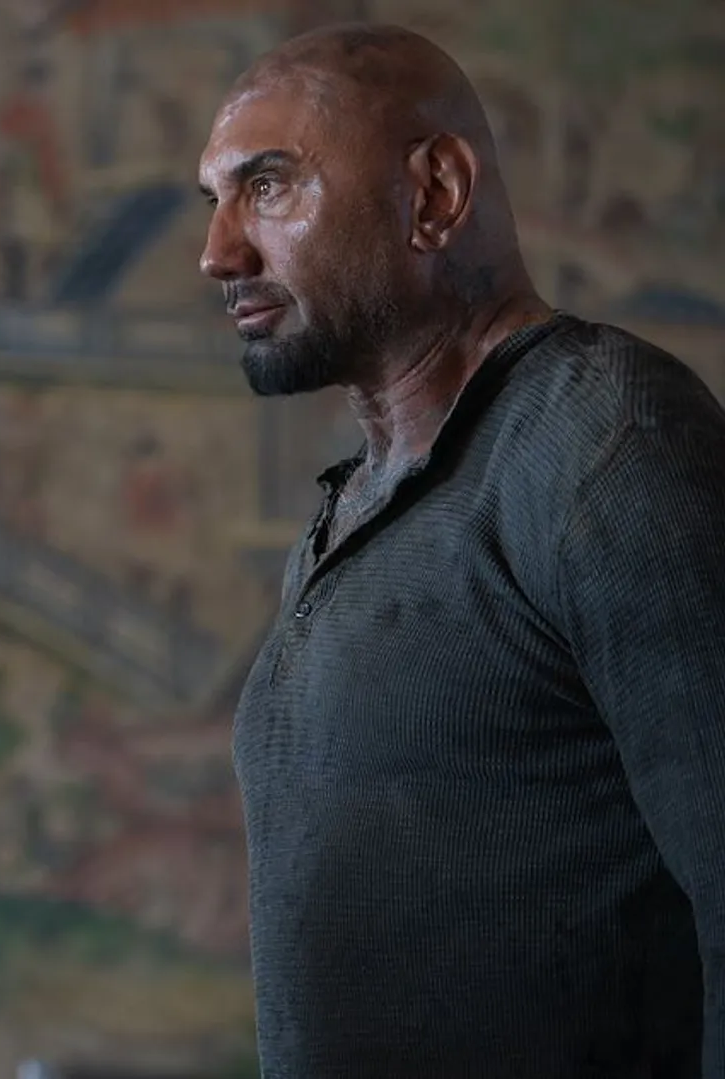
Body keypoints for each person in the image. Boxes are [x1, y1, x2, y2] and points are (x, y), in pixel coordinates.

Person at [199, 22, 725, 1079]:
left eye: (268, 185)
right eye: (212, 198)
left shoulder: (606, 438)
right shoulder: (351, 512)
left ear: (435, 193)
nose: (218, 252)